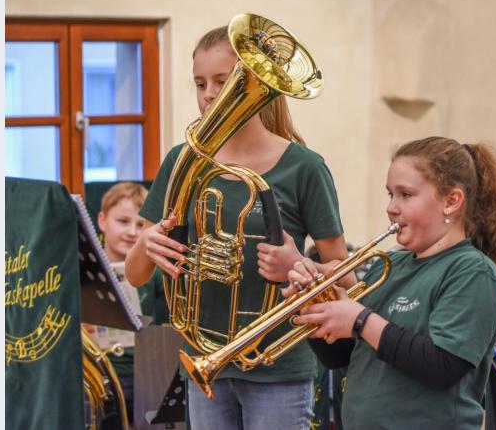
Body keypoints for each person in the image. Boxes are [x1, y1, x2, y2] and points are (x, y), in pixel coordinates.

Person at [125, 25, 354, 430]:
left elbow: (346, 277)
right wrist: (147, 242)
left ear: (258, 85)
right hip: (205, 360)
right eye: (200, 84)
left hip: (278, 366)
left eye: (222, 81)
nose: (209, 94)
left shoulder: (305, 167)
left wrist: (296, 265)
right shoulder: (181, 160)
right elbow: (135, 273)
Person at [290, 137, 496, 429]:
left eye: (406, 195)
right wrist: (314, 308)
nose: (391, 208)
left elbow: (443, 367)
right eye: (390, 194)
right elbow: (344, 357)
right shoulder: (388, 265)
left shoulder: (472, 273)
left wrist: (360, 320)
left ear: (451, 201)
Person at [87, 181, 169, 425]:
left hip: (143, 372)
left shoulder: (155, 273)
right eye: (123, 221)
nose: (133, 232)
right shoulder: (84, 268)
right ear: (102, 221)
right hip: (99, 371)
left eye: (141, 225)